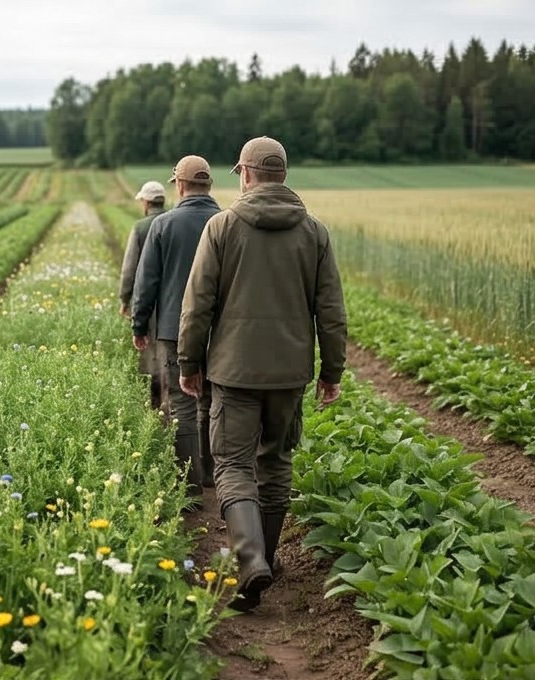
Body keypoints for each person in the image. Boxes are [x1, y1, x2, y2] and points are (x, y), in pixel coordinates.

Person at [177, 136, 347, 612]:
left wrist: (189, 363)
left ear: (246, 174)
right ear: (283, 174)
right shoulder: (314, 232)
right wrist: (331, 370)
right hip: (290, 374)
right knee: (275, 463)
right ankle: (264, 557)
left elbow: (198, 305)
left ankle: (250, 563)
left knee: (232, 464)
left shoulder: (222, 227)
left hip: (233, 372)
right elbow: (330, 311)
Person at [131, 155, 221, 501]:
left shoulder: (163, 225)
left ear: (179, 186)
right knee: (212, 398)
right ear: (209, 185)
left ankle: (190, 484)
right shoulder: (226, 221)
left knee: (182, 402)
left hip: (173, 329)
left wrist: (140, 324)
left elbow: (146, 282)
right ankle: (213, 472)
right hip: (219, 328)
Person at [119, 180, 168, 405]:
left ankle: (156, 395)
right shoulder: (172, 222)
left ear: (146, 203)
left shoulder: (140, 227)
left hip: (149, 296)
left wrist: (125, 299)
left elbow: (130, 268)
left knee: (151, 349)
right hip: (174, 296)